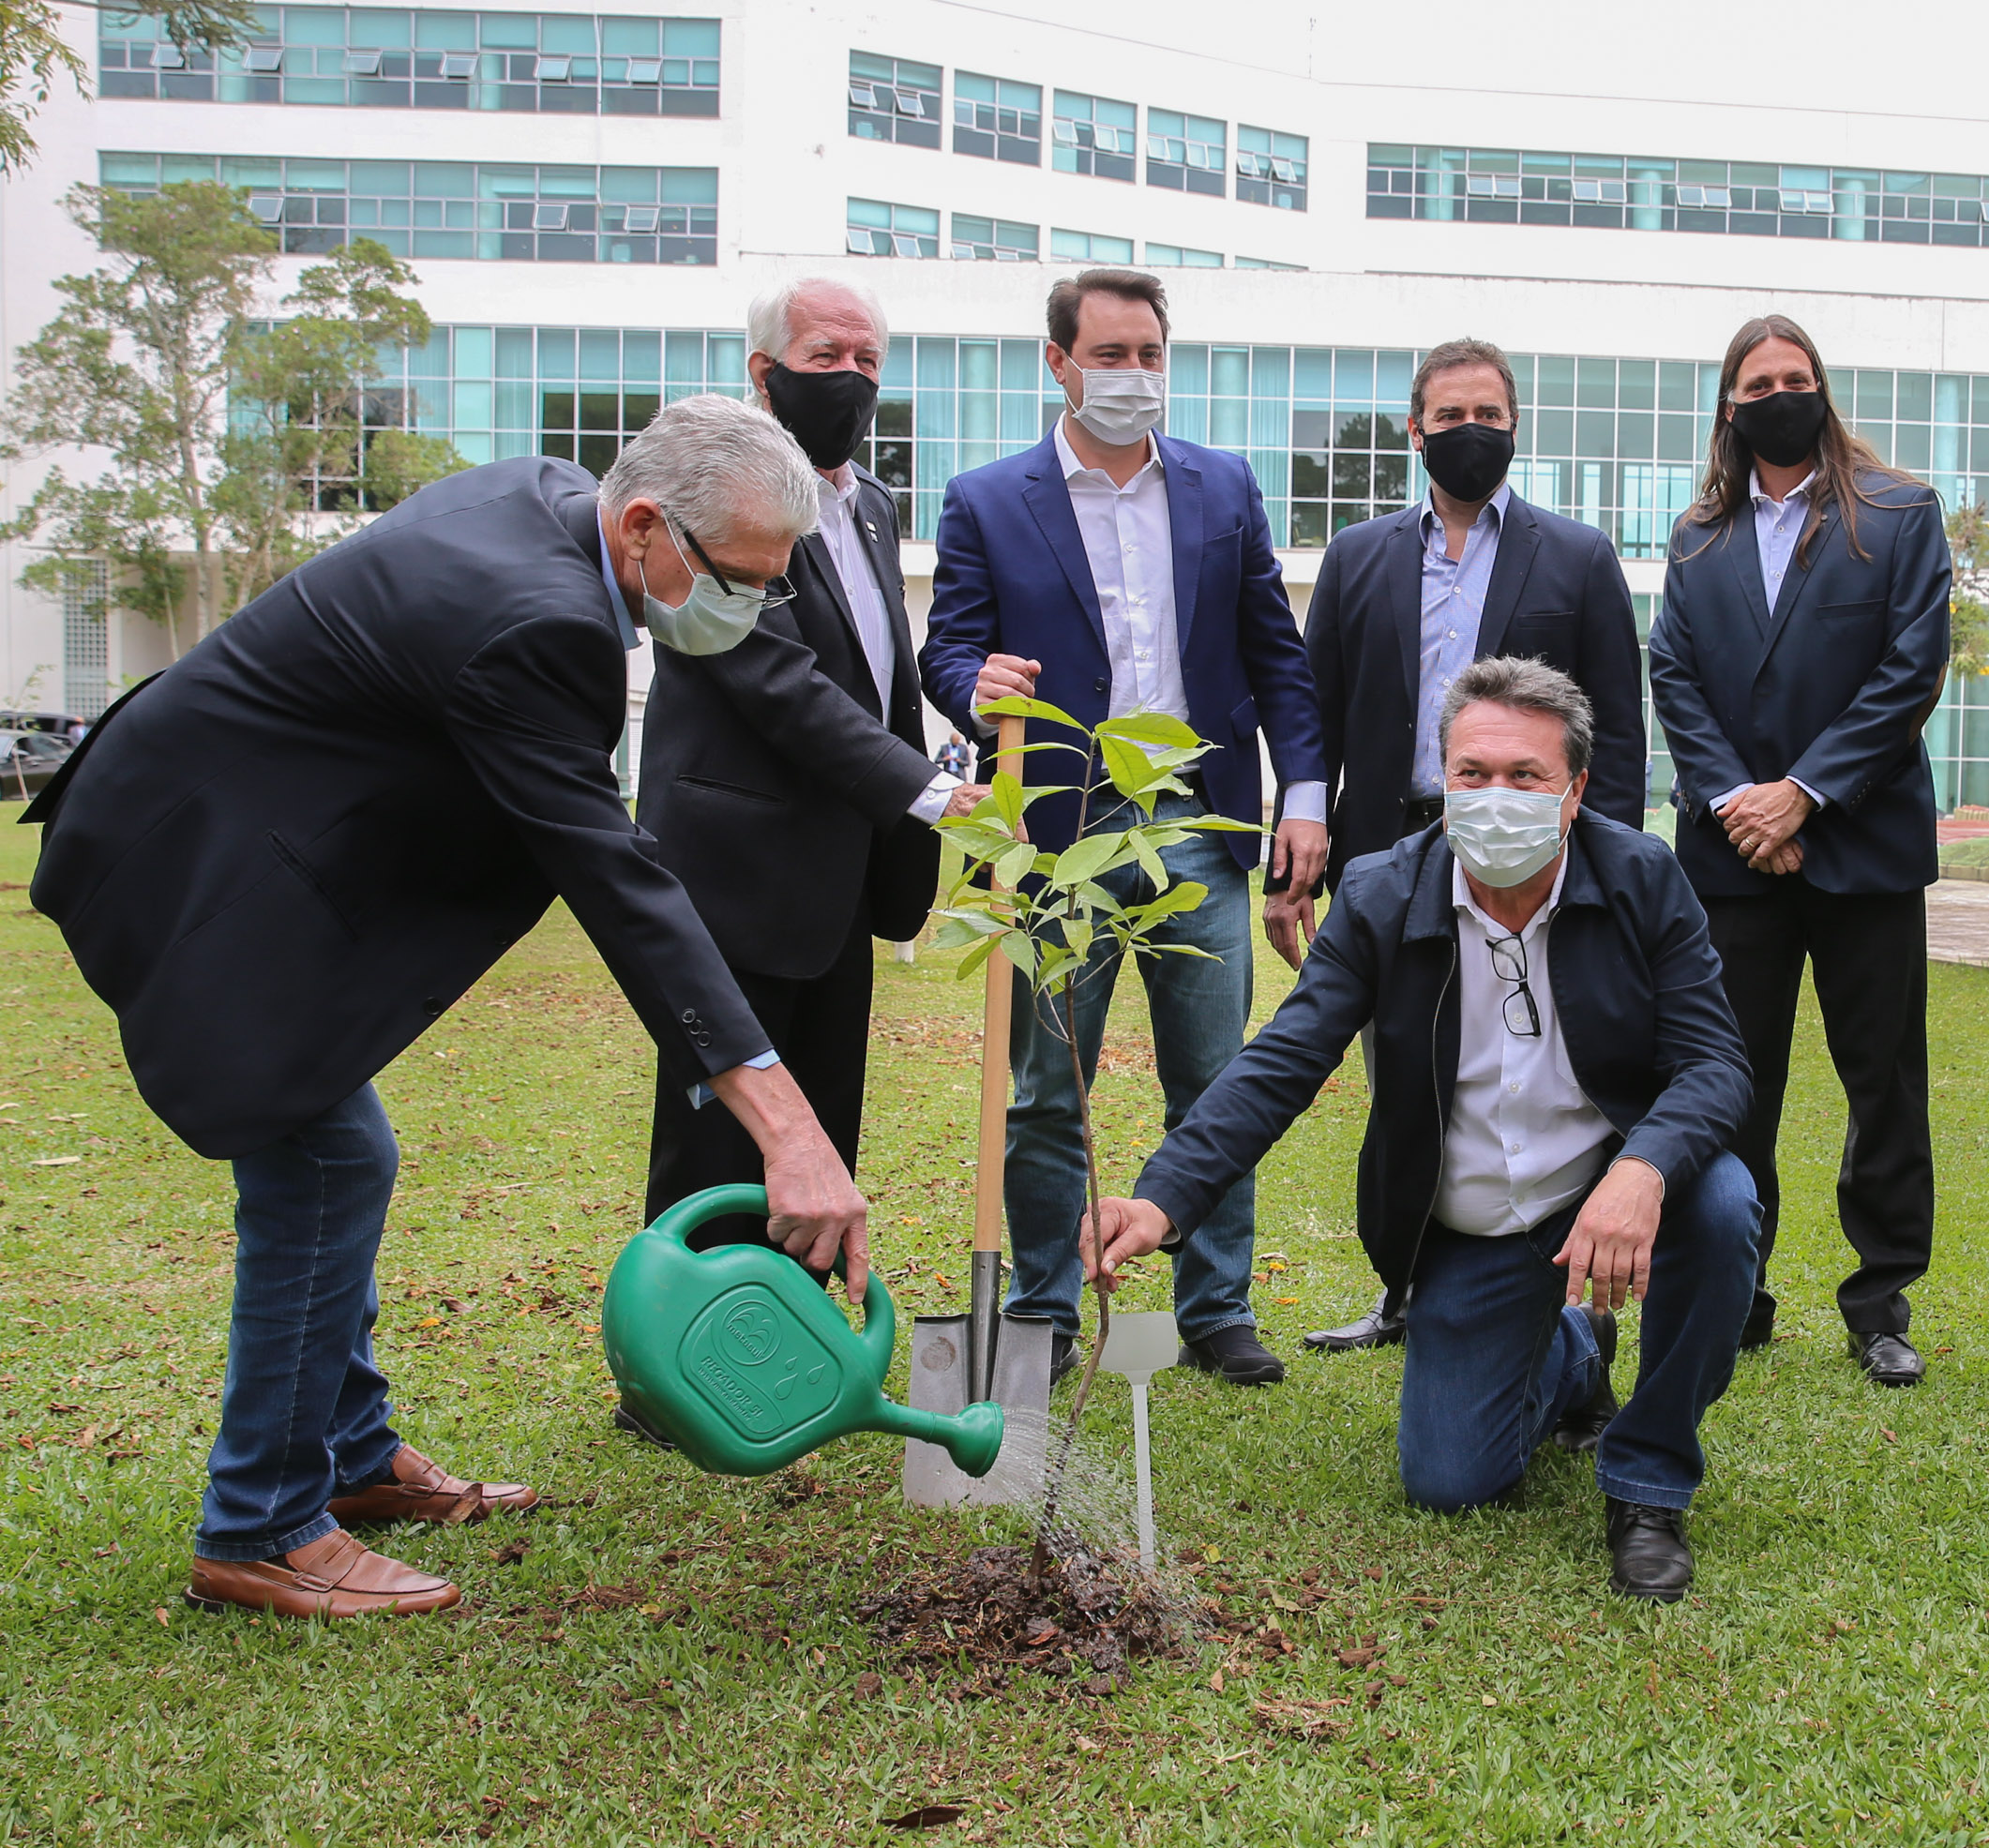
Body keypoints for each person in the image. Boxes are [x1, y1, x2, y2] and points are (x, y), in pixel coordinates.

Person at [24, 397, 869, 1617]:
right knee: (329, 1166)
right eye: (738, 578)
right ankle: (259, 1523)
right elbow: (624, 887)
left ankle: (353, 1458)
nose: (751, 605)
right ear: (644, 524)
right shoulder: (539, 624)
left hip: (253, 839)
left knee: (341, 1154)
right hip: (199, 858)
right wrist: (787, 1129)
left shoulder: (541, 500)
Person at [1080, 658, 1758, 1601]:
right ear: (1442, 779)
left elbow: (1717, 1063)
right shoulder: (1383, 894)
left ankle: (1647, 1481)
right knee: (1449, 1481)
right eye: (1471, 773)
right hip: (1473, 1223)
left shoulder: (1644, 876)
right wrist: (1161, 1197)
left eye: (1526, 776)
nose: (1495, 797)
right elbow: (1284, 1059)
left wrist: (1643, 1166)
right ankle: (1573, 1354)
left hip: (1603, 1191)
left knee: (1722, 1200)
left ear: (1576, 792)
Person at [923, 267, 1330, 1387]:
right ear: (1057, 362)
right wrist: (975, 681)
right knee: (1048, 1082)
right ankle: (1046, 1308)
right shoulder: (987, 499)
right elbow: (948, 649)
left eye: (1149, 354)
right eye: (1109, 355)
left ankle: (1216, 1304)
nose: (1133, 376)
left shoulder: (1222, 488)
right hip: (1057, 835)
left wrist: (1304, 796)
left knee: (1216, 1080)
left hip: (1196, 819)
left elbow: (1275, 657)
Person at [1291, 335, 1649, 1359]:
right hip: (1390, 849)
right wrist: (1302, 834)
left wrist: (1601, 861)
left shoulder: (1575, 556)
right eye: (1449, 416)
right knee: (1406, 1073)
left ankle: (1563, 1284)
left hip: (1529, 846)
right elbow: (1312, 710)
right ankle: (1405, 1289)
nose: (1469, 432)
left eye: (1488, 413)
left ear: (1515, 423)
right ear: (1414, 428)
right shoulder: (1358, 555)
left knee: (1530, 1063)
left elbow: (1613, 727)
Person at [632, 279, 972, 1348]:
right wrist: (928, 790)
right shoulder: (722, 496)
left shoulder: (869, 503)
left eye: (870, 360)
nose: (854, 379)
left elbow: (878, 674)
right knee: (724, 1133)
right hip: (738, 862)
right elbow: (772, 679)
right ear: (764, 370)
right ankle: (684, 1350)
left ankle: (782, 1341)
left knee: (824, 1114)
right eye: (828, 355)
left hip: (845, 866)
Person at [1647, 313, 1951, 1388]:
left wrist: (1805, 794)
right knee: (1735, 1081)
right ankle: (1741, 1286)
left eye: (1797, 375)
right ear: (1730, 405)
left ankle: (1880, 1299)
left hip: (1862, 845)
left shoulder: (1901, 513)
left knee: (1885, 1082)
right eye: (1758, 380)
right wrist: (1743, 803)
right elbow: (1673, 675)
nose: (1780, 392)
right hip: (1733, 861)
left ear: (1824, 387)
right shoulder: (1695, 536)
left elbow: (1911, 668)